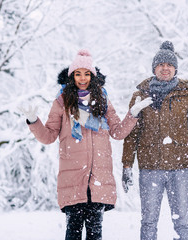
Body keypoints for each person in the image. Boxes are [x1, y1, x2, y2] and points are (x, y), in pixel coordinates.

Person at [20, 49, 152, 240]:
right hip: (73, 179)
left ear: (93, 76)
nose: (82, 78)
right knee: (72, 234)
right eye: (78, 74)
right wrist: (34, 121)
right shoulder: (62, 102)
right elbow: (48, 136)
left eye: (87, 74)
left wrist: (133, 114)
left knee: (94, 234)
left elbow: (117, 132)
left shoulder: (103, 100)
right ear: (72, 76)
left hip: (98, 180)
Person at [121, 41, 188, 240]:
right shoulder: (140, 95)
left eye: (169, 65)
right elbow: (131, 134)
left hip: (181, 168)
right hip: (150, 168)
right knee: (149, 221)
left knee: (182, 222)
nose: (165, 68)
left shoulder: (187, 94)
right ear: (154, 68)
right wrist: (127, 165)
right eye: (161, 65)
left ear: (175, 68)